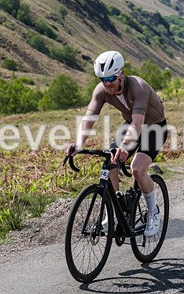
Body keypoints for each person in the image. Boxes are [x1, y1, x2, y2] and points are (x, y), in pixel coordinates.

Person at [68, 50, 168, 236]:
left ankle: (153, 213)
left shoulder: (138, 87)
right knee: (110, 160)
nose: (107, 84)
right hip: (131, 125)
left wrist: (124, 146)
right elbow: (89, 118)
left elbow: (139, 123)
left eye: (111, 78)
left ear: (121, 73)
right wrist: (79, 143)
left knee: (137, 169)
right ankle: (113, 212)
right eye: (102, 79)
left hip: (154, 127)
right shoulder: (102, 90)